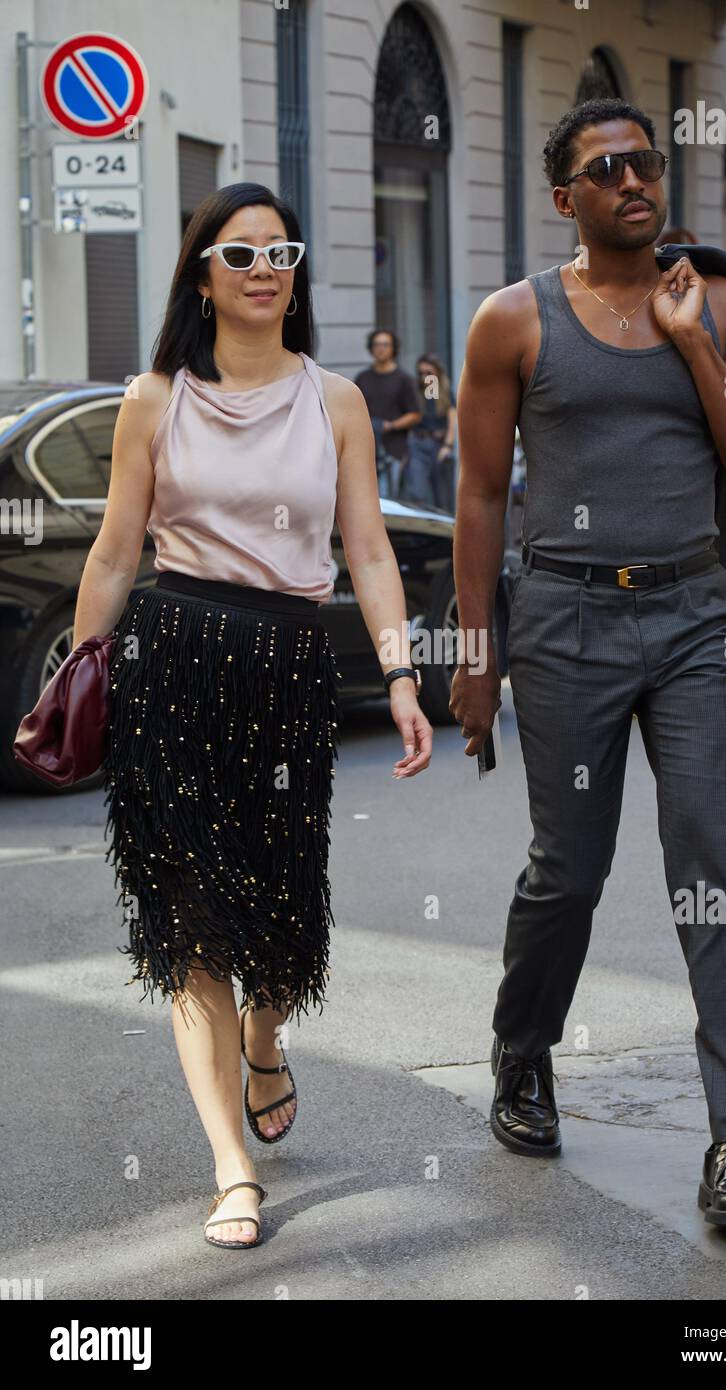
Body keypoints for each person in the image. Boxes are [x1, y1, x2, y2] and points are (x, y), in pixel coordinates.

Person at [450, 98, 726, 1229]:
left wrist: (695, 340)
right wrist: (472, 654)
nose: (632, 180)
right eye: (604, 169)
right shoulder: (512, 322)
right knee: (570, 867)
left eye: (644, 161)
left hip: (692, 615)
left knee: (714, 864)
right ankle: (520, 1053)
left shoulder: (720, 300)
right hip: (562, 619)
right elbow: (481, 495)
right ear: (566, 199)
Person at [77, 182, 432, 1250]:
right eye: (241, 254)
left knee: (279, 923)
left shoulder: (333, 400)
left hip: (283, 667)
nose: (267, 266)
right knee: (189, 921)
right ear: (203, 276)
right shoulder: (155, 397)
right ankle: (233, 1165)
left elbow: (365, 548)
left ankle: (266, 1039)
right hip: (172, 659)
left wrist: (402, 674)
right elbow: (113, 548)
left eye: (282, 249)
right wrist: (79, 675)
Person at [354, 330, 422, 499]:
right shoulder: (363, 378)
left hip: (393, 450)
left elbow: (415, 414)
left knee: (388, 500)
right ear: (371, 348)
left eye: (385, 344)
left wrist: (390, 425)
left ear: (393, 349)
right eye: (377, 344)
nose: (381, 349)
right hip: (366, 451)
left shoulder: (404, 379)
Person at [403, 353, 457, 510]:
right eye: (421, 373)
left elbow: (453, 418)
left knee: (443, 496)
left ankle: (446, 534)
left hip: (439, 445)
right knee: (417, 494)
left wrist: (447, 445)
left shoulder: (444, 391)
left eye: (429, 373)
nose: (424, 377)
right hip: (418, 443)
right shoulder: (414, 390)